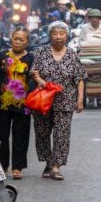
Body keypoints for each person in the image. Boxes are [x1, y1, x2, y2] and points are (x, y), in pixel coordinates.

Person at [30, 21, 86, 181]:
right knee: (42, 132)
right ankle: (48, 162)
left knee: (62, 134)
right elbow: (33, 71)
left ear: (66, 35)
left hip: (65, 100)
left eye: (62, 33)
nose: (59, 37)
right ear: (50, 36)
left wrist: (80, 99)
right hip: (43, 100)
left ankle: (56, 166)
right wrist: (39, 79)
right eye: (55, 33)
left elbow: (80, 78)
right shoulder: (41, 52)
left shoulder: (72, 55)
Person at [0, 27, 34, 179]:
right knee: (1, 135)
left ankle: (18, 167)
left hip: (23, 104)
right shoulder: (2, 55)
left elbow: (33, 81)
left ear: (27, 42)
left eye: (22, 39)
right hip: (2, 102)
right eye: (16, 38)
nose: (18, 42)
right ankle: (2, 165)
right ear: (11, 38)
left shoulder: (31, 59)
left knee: (21, 135)